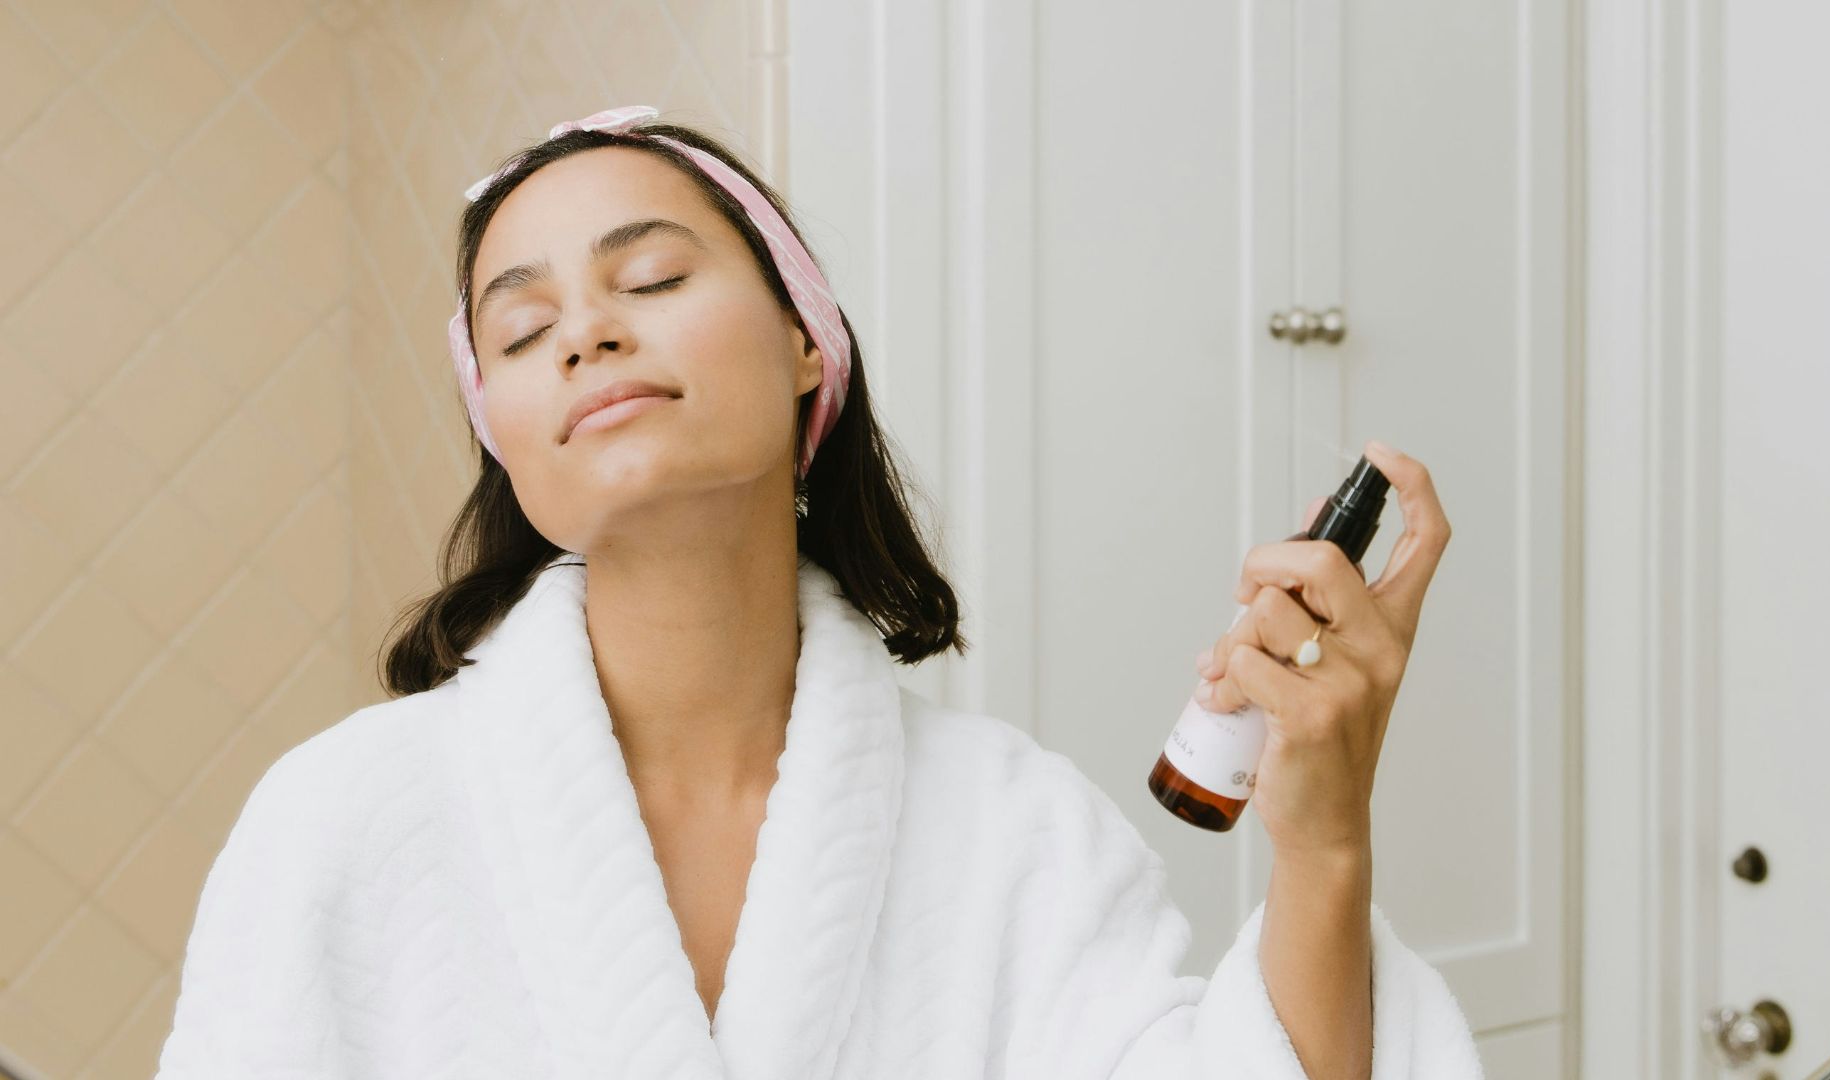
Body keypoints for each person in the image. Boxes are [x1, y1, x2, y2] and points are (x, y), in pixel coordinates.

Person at [155, 105, 1482, 1079]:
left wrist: (1324, 843)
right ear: (502, 438)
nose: (586, 332)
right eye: (522, 329)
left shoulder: (1016, 833)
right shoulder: (340, 824)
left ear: (806, 339)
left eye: (651, 278)